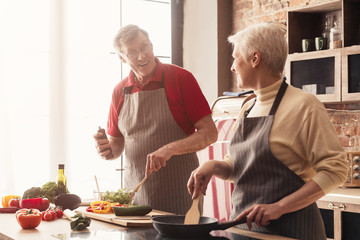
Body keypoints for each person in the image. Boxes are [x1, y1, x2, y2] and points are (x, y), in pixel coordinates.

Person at [187, 22, 348, 239]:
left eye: (236, 57)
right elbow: (241, 168)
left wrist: (279, 207)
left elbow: (335, 170)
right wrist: (213, 166)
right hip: (244, 231)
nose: (232, 67)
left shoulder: (305, 106)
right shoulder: (248, 107)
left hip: (292, 232)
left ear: (255, 59)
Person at [94, 24, 218, 215]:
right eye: (132, 52)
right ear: (121, 58)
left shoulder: (181, 79)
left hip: (181, 198)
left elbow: (210, 133)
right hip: (135, 200)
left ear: (151, 45)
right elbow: (117, 145)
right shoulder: (119, 91)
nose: (142, 56)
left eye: (144, 47)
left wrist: (170, 149)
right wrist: (107, 151)